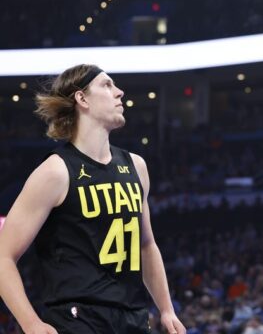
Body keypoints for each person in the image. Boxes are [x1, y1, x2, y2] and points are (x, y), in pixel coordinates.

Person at [0, 65, 185, 334]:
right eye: (107, 85)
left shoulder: (136, 166)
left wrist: (166, 309)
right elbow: (3, 255)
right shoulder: (55, 172)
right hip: (77, 319)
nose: (119, 92)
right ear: (82, 99)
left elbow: (146, 245)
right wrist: (30, 323)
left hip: (133, 318)